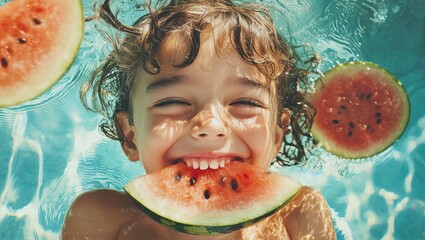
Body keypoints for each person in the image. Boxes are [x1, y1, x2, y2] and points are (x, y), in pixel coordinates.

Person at [62, 0, 336, 239]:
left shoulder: (298, 215)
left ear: (278, 134)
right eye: (172, 102)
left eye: (245, 102)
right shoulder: (101, 219)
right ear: (130, 135)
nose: (211, 127)